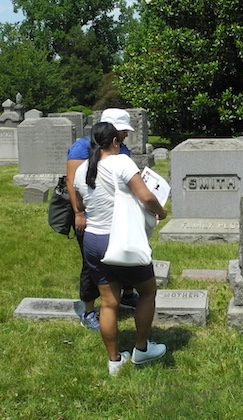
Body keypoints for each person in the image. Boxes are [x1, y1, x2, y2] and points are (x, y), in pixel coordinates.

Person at [73, 121, 168, 375]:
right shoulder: (122, 162)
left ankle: (114, 361)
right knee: (148, 291)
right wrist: (161, 211)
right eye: (120, 141)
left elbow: (81, 202)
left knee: (108, 302)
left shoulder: (82, 169)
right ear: (114, 142)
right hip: (122, 238)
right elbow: (146, 197)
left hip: (93, 240)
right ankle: (142, 348)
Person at [66, 109, 139, 331]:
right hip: (90, 215)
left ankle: (126, 294)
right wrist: (79, 213)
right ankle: (88, 310)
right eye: (124, 130)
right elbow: (73, 183)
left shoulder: (121, 147)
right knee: (92, 264)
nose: (126, 135)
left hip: (119, 214)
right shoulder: (81, 147)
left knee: (127, 253)